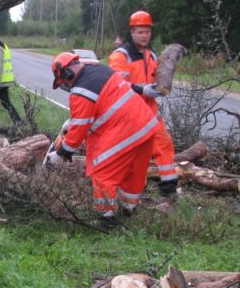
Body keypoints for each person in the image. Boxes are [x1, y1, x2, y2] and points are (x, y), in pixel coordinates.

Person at [44, 52, 160, 227]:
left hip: (124, 130)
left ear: (67, 74)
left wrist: (59, 154)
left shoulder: (81, 92)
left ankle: (107, 219)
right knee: (133, 171)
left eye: (65, 82)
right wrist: (143, 89)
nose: (67, 86)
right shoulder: (102, 70)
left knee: (102, 173)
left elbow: (78, 131)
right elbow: (116, 93)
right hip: (145, 126)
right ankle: (129, 209)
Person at [108, 11, 178, 206]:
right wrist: (143, 90)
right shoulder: (120, 56)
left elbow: (158, 79)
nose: (144, 35)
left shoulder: (151, 55)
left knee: (164, 145)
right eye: (140, 32)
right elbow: (117, 86)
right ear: (132, 32)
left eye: (147, 31)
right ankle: (121, 194)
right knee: (130, 154)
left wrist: (163, 82)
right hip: (129, 112)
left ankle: (169, 191)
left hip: (150, 111)